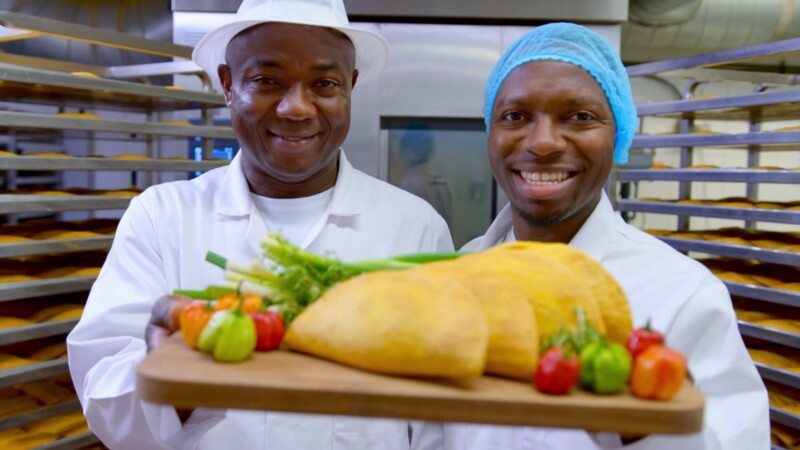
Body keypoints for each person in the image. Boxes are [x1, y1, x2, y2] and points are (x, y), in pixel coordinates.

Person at [66, 1, 450, 449]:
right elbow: (103, 397)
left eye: (325, 84)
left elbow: (438, 422)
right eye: (268, 81)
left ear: (351, 86)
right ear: (228, 85)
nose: (297, 108)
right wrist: (177, 379)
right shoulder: (160, 217)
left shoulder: (415, 227)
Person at [443, 23, 769, 450]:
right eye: (515, 116)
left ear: (619, 135)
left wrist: (648, 424)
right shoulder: (459, 274)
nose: (542, 143)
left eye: (580, 117)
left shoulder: (683, 294)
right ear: (490, 132)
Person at [398, 123, 453, 225]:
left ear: (409, 152)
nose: (400, 158)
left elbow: (408, 228)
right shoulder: (443, 183)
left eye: (401, 152)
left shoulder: (410, 185)